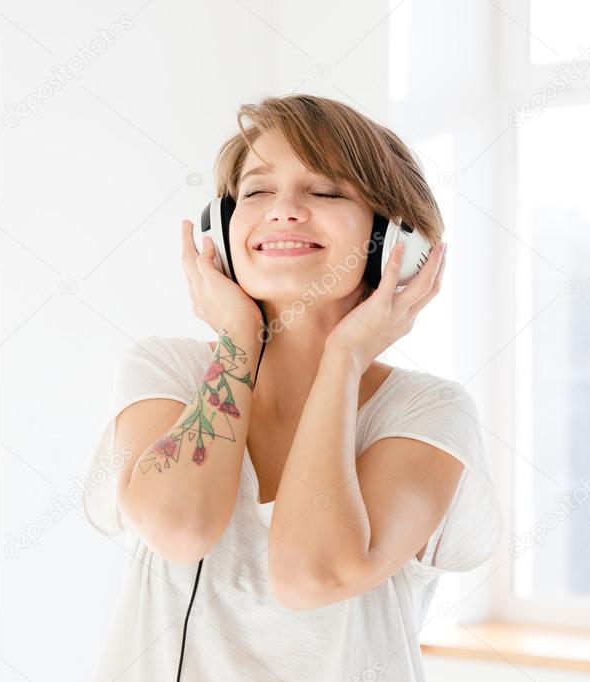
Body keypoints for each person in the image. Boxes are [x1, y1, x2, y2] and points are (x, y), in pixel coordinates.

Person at [84, 94, 501, 681]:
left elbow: (311, 576)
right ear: (221, 229)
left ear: (395, 243)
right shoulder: (166, 372)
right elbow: (180, 528)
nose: (283, 210)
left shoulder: (427, 412)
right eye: (255, 191)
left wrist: (346, 357)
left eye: (326, 192)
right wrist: (237, 337)